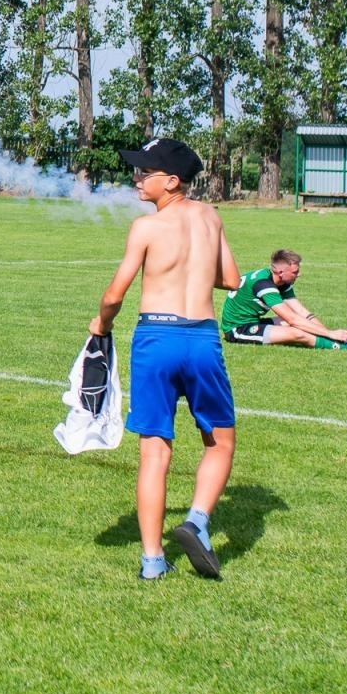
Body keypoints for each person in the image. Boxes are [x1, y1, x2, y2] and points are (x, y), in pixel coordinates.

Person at [89, 138, 240, 580]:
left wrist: (101, 324)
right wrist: (194, 264)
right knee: (220, 441)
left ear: (172, 181)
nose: (136, 177)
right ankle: (196, 520)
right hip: (202, 338)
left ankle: (153, 561)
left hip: (155, 336)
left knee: (155, 453)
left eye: (144, 172)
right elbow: (230, 278)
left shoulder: (145, 227)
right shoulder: (211, 216)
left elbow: (115, 293)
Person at [221, 249, 347, 350]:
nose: (299, 274)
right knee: (298, 333)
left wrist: (328, 334)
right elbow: (292, 319)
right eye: (295, 272)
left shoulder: (282, 283)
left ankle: (345, 340)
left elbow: (301, 312)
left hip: (254, 321)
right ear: (281, 272)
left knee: (299, 323)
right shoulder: (263, 285)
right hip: (238, 330)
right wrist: (330, 334)